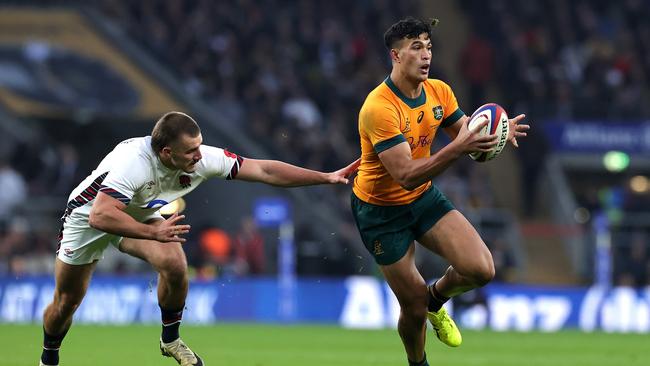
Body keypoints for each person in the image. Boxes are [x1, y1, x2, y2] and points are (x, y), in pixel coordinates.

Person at [39, 111, 360, 366]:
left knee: (175, 263)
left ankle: (170, 340)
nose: (199, 155)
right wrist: (154, 231)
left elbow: (264, 171)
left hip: (138, 211)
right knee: (66, 303)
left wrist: (325, 177)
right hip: (88, 218)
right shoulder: (133, 164)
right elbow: (101, 216)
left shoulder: (202, 157)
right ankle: (48, 357)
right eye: (190, 150)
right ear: (166, 153)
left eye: (200, 145)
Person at [350, 17, 529, 366]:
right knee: (411, 306)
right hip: (380, 212)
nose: (426, 54)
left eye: (429, 46)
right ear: (396, 56)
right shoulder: (379, 107)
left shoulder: (440, 92)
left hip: (423, 198)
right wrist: (460, 147)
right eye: (416, 47)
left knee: (481, 269)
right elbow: (405, 174)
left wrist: (494, 138)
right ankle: (418, 362)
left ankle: (436, 298)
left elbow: (470, 145)